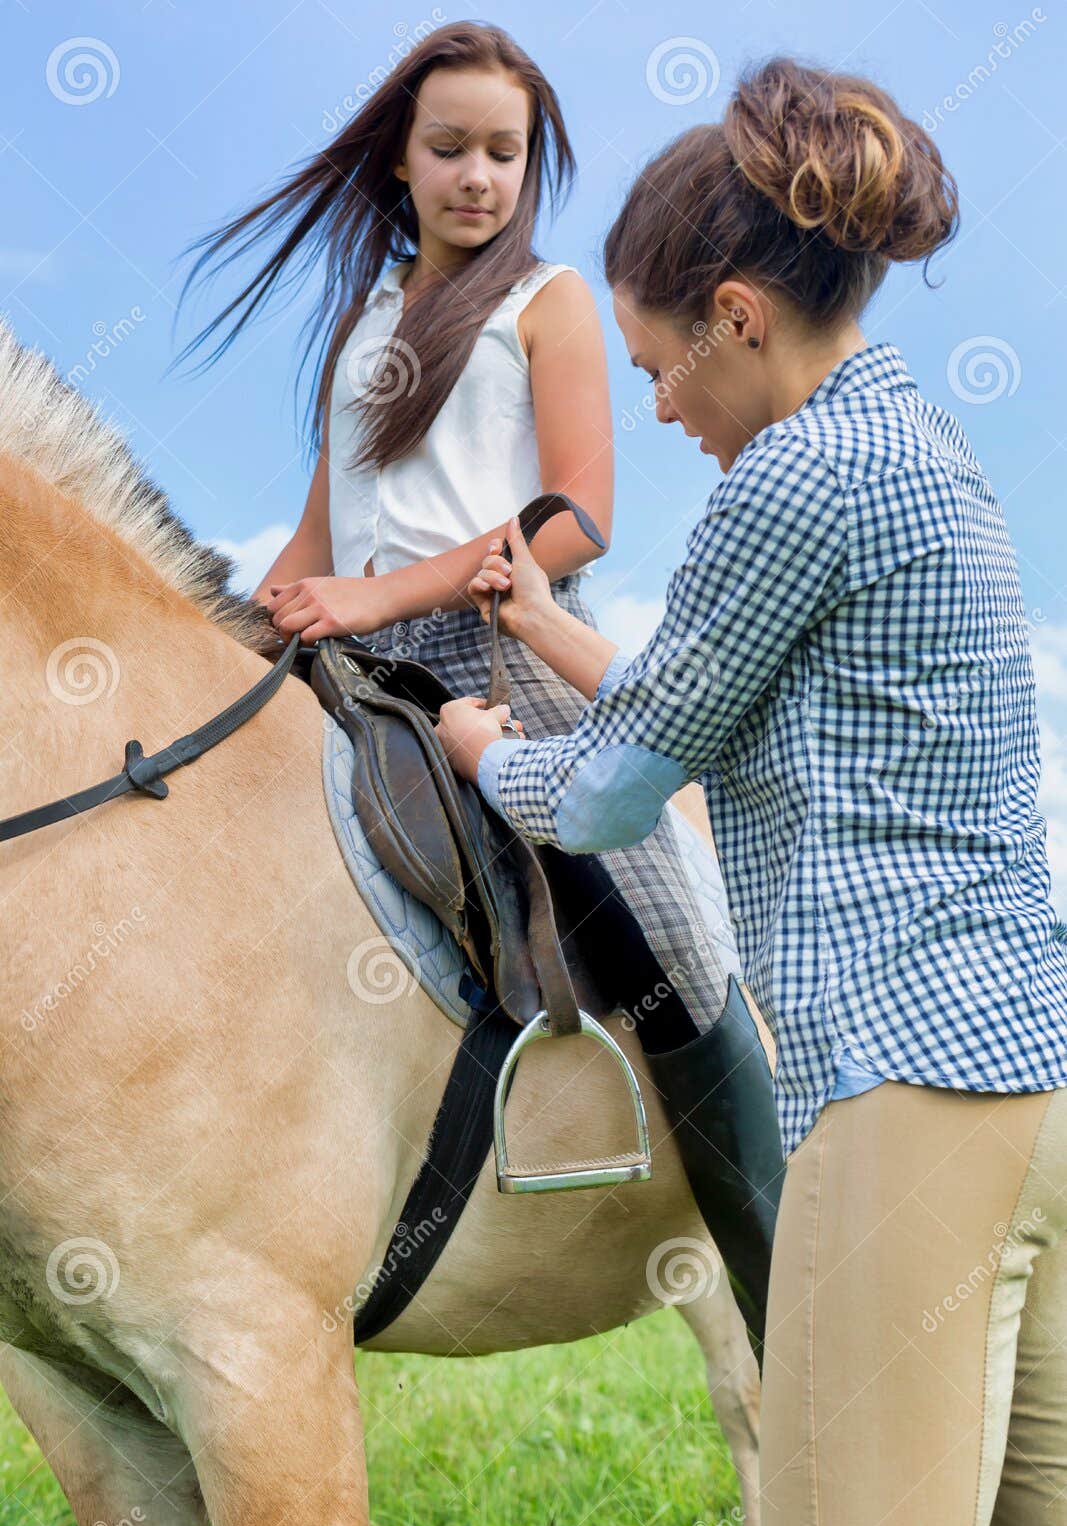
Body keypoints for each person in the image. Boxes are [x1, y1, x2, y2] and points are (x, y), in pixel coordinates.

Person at [434, 54, 1067, 1526]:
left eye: (659, 365)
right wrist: (549, 622)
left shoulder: (793, 477)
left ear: (736, 313)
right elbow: (711, 691)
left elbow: (613, 785)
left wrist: (482, 750)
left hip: (903, 1088)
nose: (654, 407)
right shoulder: (917, 445)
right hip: (1033, 1091)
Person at [170, 22, 785, 1349]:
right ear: (401, 158)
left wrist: (382, 596)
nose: (476, 176)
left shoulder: (549, 302)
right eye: (448, 147)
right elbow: (324, 534)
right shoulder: (367, 321)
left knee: (676, 937)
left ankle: (786, 1274)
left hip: (504, 648)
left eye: (503, 152)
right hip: (345, 658)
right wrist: (258, 615)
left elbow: (576, 520)